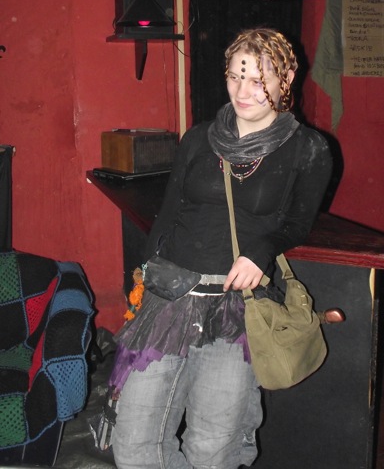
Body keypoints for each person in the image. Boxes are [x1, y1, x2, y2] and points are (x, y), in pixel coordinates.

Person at [110, 28, 333, 469]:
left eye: (258, 79)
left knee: (212, 449)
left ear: (286, 78)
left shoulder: (309, 149)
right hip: (170, 300)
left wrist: (262, 249)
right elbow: (167, 217)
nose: (243, 91)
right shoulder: (198, 138)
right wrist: (141, 286)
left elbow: (298, 224)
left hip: (237, 310)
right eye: (235, 76)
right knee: (133, 444)